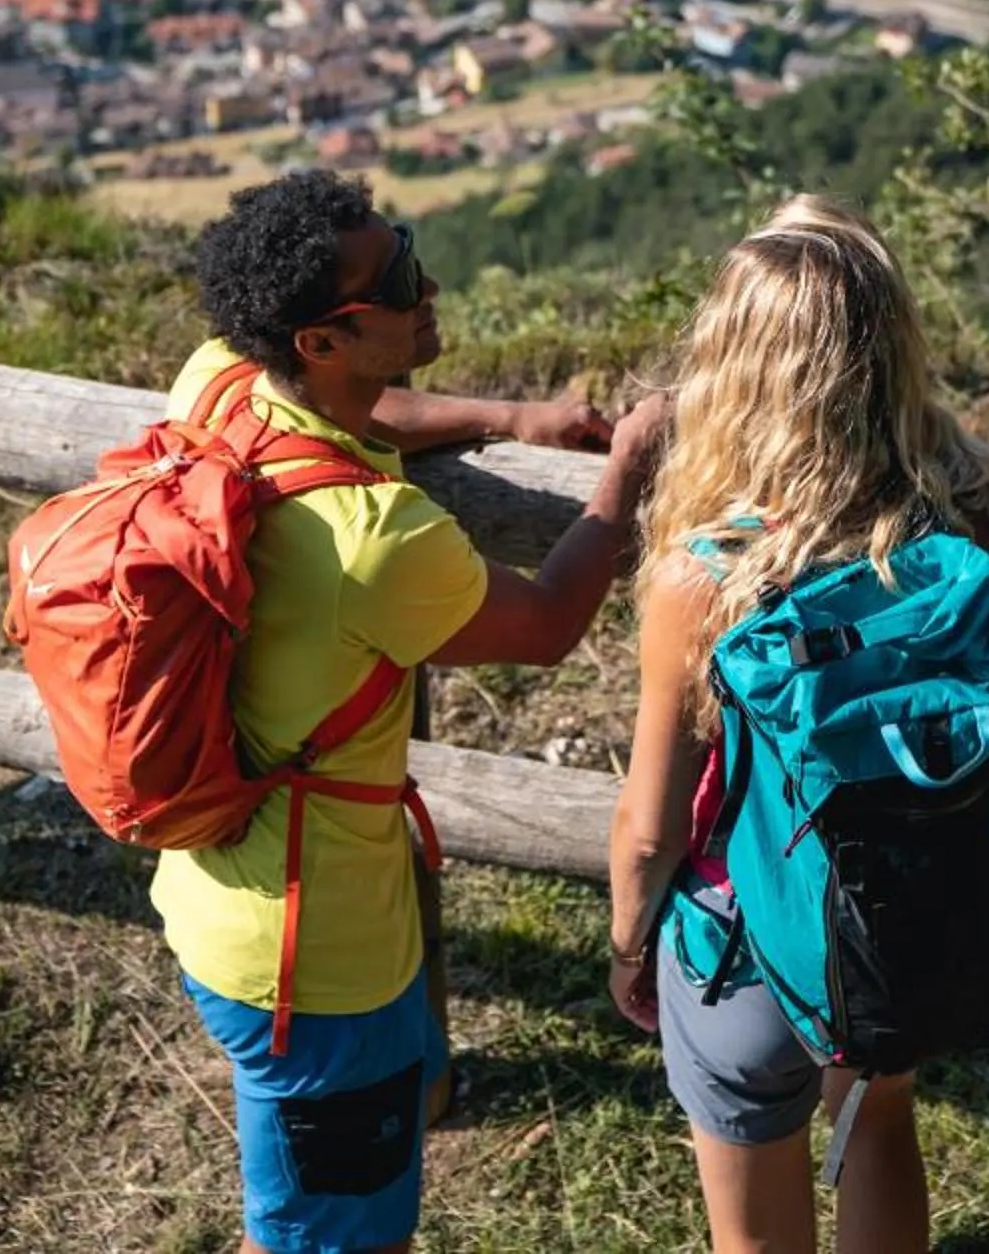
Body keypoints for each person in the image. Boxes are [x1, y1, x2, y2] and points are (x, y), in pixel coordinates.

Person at [154, 168, 667, 1254]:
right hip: (319, 961)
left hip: (221, 894)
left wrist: (510, 416)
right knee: (333, 1240)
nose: (424, 282)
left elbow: (367, 406)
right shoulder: (372, 541)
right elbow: (542, 626)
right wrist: (621, 476)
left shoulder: (220, 383)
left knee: (304, 1206)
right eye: (394, 278)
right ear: (324, 339)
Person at [608, 194, 989, 1254]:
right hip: (895, 922)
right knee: (876, 1125)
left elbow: (650, 828)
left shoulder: (706, 573)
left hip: (741, 949)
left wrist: (623, 947)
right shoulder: (964, 521)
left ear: (732, 368)